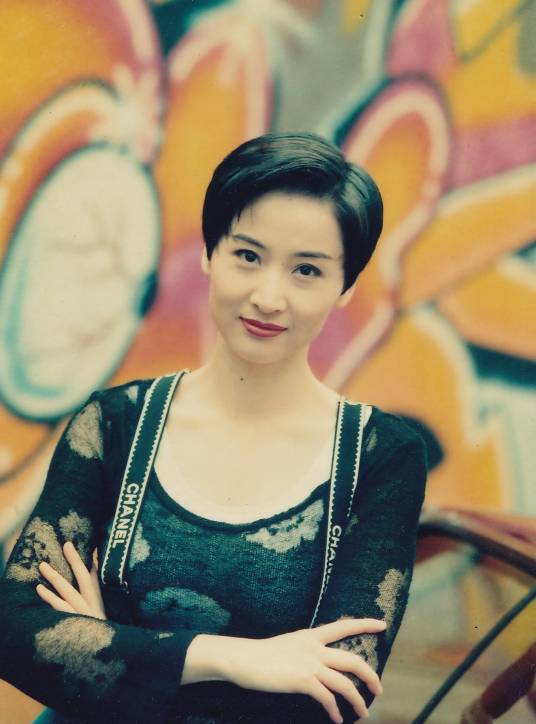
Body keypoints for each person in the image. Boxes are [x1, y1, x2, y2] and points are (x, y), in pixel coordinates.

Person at [0, 132, 427, 723]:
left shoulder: (380, 457)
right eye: (247, 256)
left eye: (306, 270)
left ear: (346, 286)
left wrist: (110, 649)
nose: (268, 297)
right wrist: (238, 659)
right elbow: (16, 631)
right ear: (209, 253)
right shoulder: (115, 424)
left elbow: (335, 693)